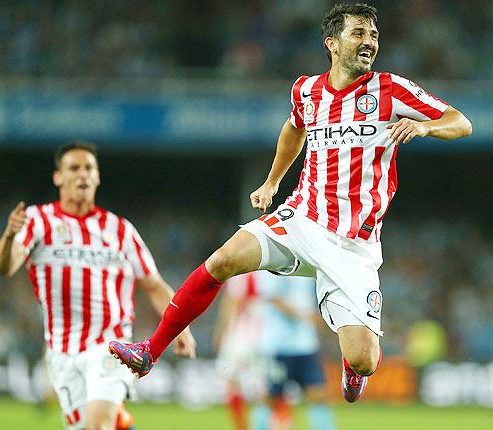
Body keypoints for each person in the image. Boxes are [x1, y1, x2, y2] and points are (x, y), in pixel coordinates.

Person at [109, 2, 472, 403]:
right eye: (358, 33)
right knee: (222, 261)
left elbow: (460, 121)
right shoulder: (307, 90)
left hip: (353, 243)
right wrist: (271, 182)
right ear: (332, 43)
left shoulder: (390, 90)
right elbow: (294, 128)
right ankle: (149, 351)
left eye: (373, 35)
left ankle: (354, 369)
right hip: (301, 218)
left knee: (364, 357)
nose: (369, 42)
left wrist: (424, 127)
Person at [0, 141, 196, 430]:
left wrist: (180, 325)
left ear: (98, 177)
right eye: (74, 168)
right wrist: (9, 237)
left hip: (110, 345)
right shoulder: (38, 221)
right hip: (62, 351)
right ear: (58, 177)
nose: (82, 175)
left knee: (96, 426)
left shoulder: (120, 230)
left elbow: (154, 285)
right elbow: (6, 266)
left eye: (89, 168)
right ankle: (122, 422)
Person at [246, 272, 336, 430]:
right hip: (278, 345)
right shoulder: (270, 265)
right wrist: (303, 316)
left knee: (319, 395)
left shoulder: (306, 262)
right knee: (270, 398)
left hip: (306, 345)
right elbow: (272, 298)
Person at [214, 272, 269, 430]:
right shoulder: (269, 272)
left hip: (239, 335)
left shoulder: (241, 272)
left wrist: (221, 330)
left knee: (231, 382)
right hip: (264, 337)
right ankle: (262, 425)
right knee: (263, 388)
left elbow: (232, 302)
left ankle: (241, 426)